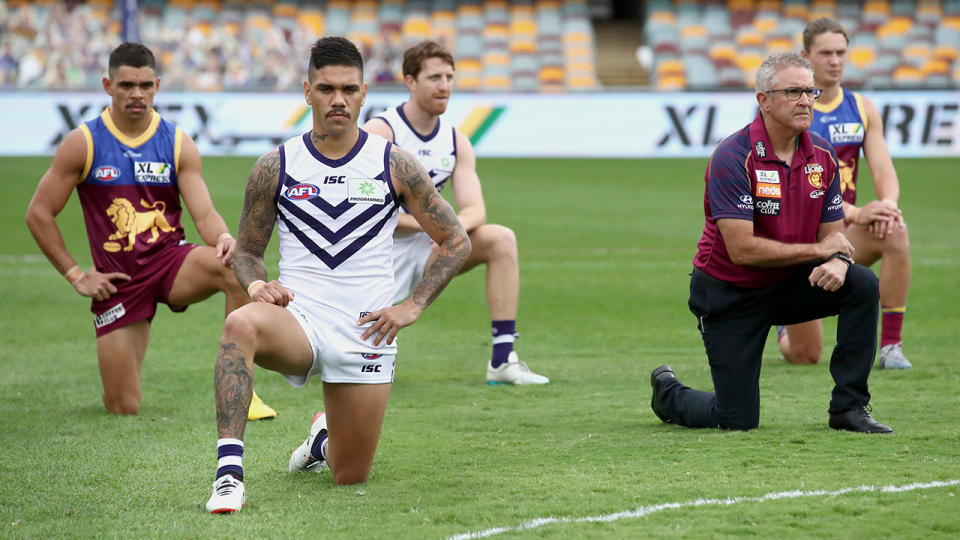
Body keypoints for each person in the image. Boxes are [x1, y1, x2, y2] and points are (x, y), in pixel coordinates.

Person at [203, 37, 470, 514]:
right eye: (326, 88)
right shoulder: (275, 166)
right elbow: (246, 252)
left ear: (365, 92)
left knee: (350, 476)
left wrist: (413, 306)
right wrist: (256, 285)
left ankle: (321, 442)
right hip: (299, 318)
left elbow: (457, 239)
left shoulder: (394, 163)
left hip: (368, 330)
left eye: (349, 89)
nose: (338, 100)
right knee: (240, 323)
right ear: (307, 91)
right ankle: (228, 477)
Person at [24, 42, 276, 420]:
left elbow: (204, 213)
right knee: (123, 407)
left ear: (157, 85)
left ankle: (243, 389)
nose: (136, 94)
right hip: (118, 281)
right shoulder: (84, 143)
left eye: (145, 85)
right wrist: (76, 275)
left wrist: (224, 237)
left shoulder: (176, 142)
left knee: (235, 266)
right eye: (126, 85)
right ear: (108, 85)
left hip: (169, 262)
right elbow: (38, 213)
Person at [649, 52, 892, 434]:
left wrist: (840, 262)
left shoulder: (823, 157)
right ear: (763, 100)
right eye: (793, 91)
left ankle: (850, 407)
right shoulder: (733, 156)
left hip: (788, 283)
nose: (806, 100)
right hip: (731, 293)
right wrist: (820, 253)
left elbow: (833, 237)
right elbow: (742, 249)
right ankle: (667, 392)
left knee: (861, 283)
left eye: (810, 91)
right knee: (737, 419)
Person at [363, 41, 548, 386]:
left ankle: (503, 359)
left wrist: (450, 231)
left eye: (449, 76)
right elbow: (362, 210)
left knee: (501, 239)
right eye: (434, 77)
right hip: (374, 251)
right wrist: (435, 228)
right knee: (343, 352)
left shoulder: (456, 141)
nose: (445, 85)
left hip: (426, 246)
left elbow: (476, 209)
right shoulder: (381, 132)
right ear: (410, 81)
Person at [777, 18, 912, 369]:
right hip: (800, 243)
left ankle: (891, 347)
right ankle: (781, 326)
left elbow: (883, 170)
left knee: (894, 227)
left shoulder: (863, 108)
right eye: (826, 53)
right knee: (806, 355)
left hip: (842, 234)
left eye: (841, 52)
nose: (835, 60)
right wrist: (855, 213)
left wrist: (887, 206)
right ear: (806, 56)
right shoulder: (791, 109)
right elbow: (797, 186)